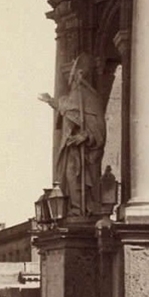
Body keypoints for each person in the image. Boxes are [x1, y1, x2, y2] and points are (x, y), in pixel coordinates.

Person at [38, 52, 107, 217]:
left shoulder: (88, 96)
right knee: (69, 176)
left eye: (72, 72)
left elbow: (98, 128)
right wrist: (52, 101)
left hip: (85, 151)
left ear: (80, 73)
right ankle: (76, 208)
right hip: (73, 148)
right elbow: (68, 108)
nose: (69, 77)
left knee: (77, 177)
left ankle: (81, 208)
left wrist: (86, 136)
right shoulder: (75, 95)